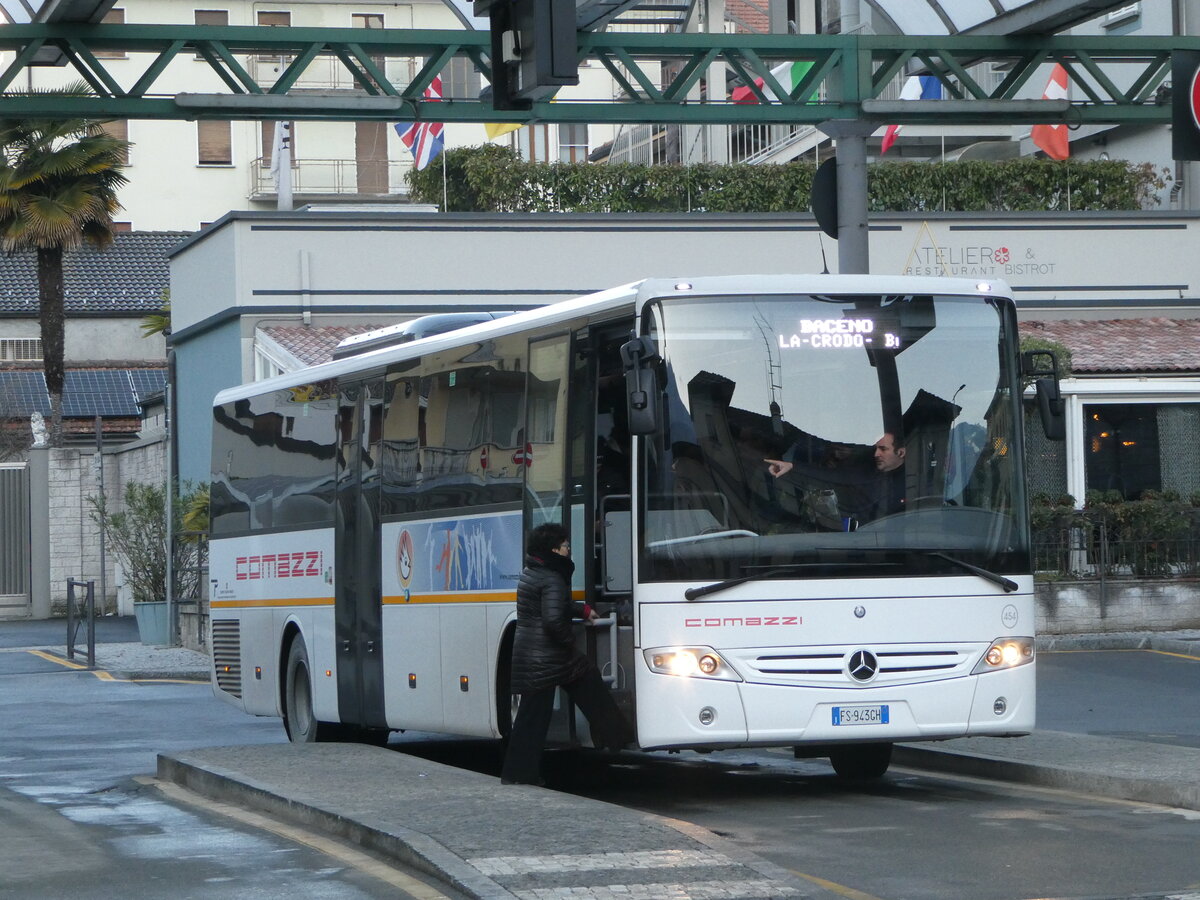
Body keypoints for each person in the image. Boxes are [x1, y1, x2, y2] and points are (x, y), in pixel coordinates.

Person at [501, 523, 632, 785]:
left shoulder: (534, 571)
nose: (569, 550)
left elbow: (555, 603)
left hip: (532, 654)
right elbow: (552, 618)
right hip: (550, 655)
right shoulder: (552, 576)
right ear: (553, 549)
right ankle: (617, 737)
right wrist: (568, 638)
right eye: (565, 546)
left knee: (531, 717)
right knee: (590, 684)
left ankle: (518, 773)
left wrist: (582, 611)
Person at [872, 431, 907, 516]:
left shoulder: (913, 480)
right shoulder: (870, 480)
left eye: (883, 449)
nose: (876, 454)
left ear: (901, 452)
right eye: (876, 449)